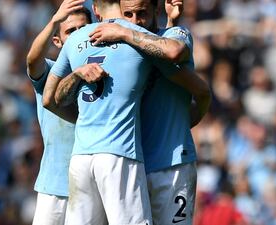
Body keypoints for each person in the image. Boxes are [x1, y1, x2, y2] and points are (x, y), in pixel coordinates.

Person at [83, 0, 212, 224]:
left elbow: (175, 53)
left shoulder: (176, 33)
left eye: (141, 13)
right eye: (128, 14)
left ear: (156, 10)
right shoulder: (118, 49)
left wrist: (184, 124)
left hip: (172, 166)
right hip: (131, 166)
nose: (135, 21)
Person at [25, 1, 107, 224]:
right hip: (54, 184)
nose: (79, 35)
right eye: (71, 31)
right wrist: (54, 21)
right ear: (57, 41)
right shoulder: (51, 72)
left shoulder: (104, 70)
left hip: (90, 186)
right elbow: (32, 60)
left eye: (83, 28)